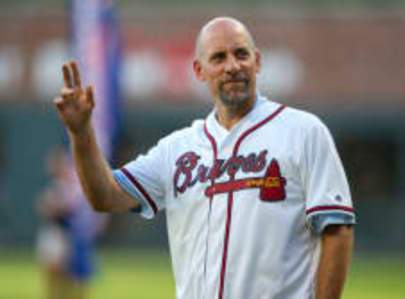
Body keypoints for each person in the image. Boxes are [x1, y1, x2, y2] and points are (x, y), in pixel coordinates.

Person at [54, 17, 355, 299]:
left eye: (241, 54)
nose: (232, 66)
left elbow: (337, 229)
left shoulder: (303, 132)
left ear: (257, 61)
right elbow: (105, 195)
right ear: (199, 70)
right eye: (219, 58)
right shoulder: (177, 149)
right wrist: (81, 135)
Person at [36, 148, 105, 299]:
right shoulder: (56, 186)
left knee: (78, 276)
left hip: (76, 234)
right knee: (56, 273)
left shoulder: (76, 186)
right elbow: (44, 207)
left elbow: (71, 207)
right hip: (60, 232)